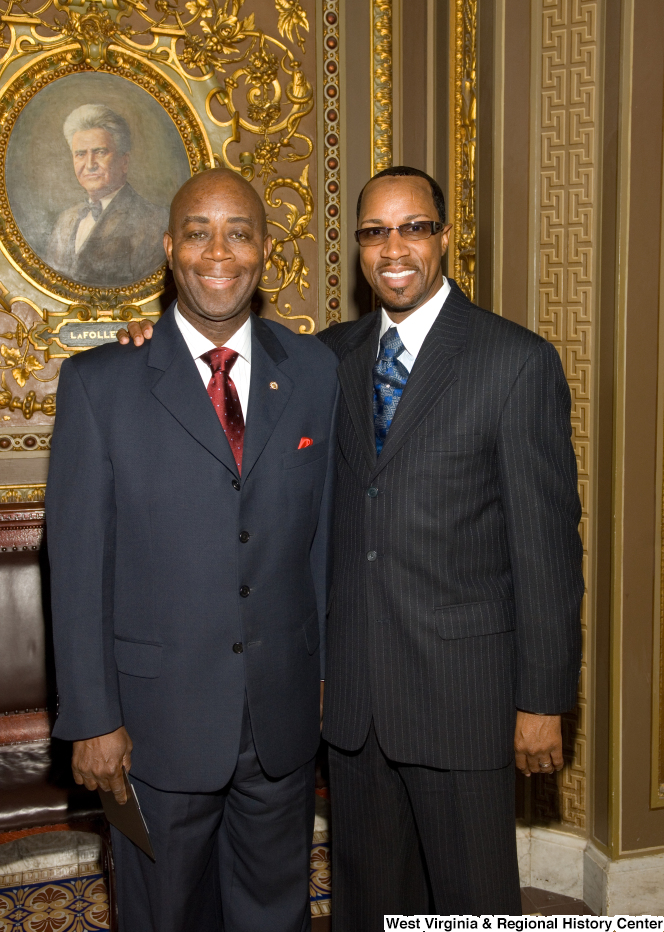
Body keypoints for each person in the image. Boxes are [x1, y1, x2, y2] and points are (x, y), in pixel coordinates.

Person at [117, 165, 584, 923]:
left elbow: (549, 554)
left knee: (471, 905)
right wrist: (151, 339)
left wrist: (543, 701)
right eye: (374, 232)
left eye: (413, 227)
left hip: (463, 701)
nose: (393, 247)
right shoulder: (324, 361)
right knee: (370, 906)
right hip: (353, 707)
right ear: (358, 249)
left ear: (444, 237)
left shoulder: (516, 363)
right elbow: (217, 352)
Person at [46, 168, 338, 932]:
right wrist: (92, 720)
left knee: (275, 915)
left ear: (265, 251)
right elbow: (76, 570)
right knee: (162, 916)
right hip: (152, 730)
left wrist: (326, 676)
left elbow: (323, 544)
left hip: (279, 723)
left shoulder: (312, 372)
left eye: (239, 232)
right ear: (169, 247)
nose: (220, 251)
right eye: (199, 231)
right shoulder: (99, 384)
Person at [47, 103, 168, 287]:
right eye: (80, 154)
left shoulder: (154, 221)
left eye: (100, 152)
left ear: (124, 161)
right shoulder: (65, 220)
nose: (89, 164)